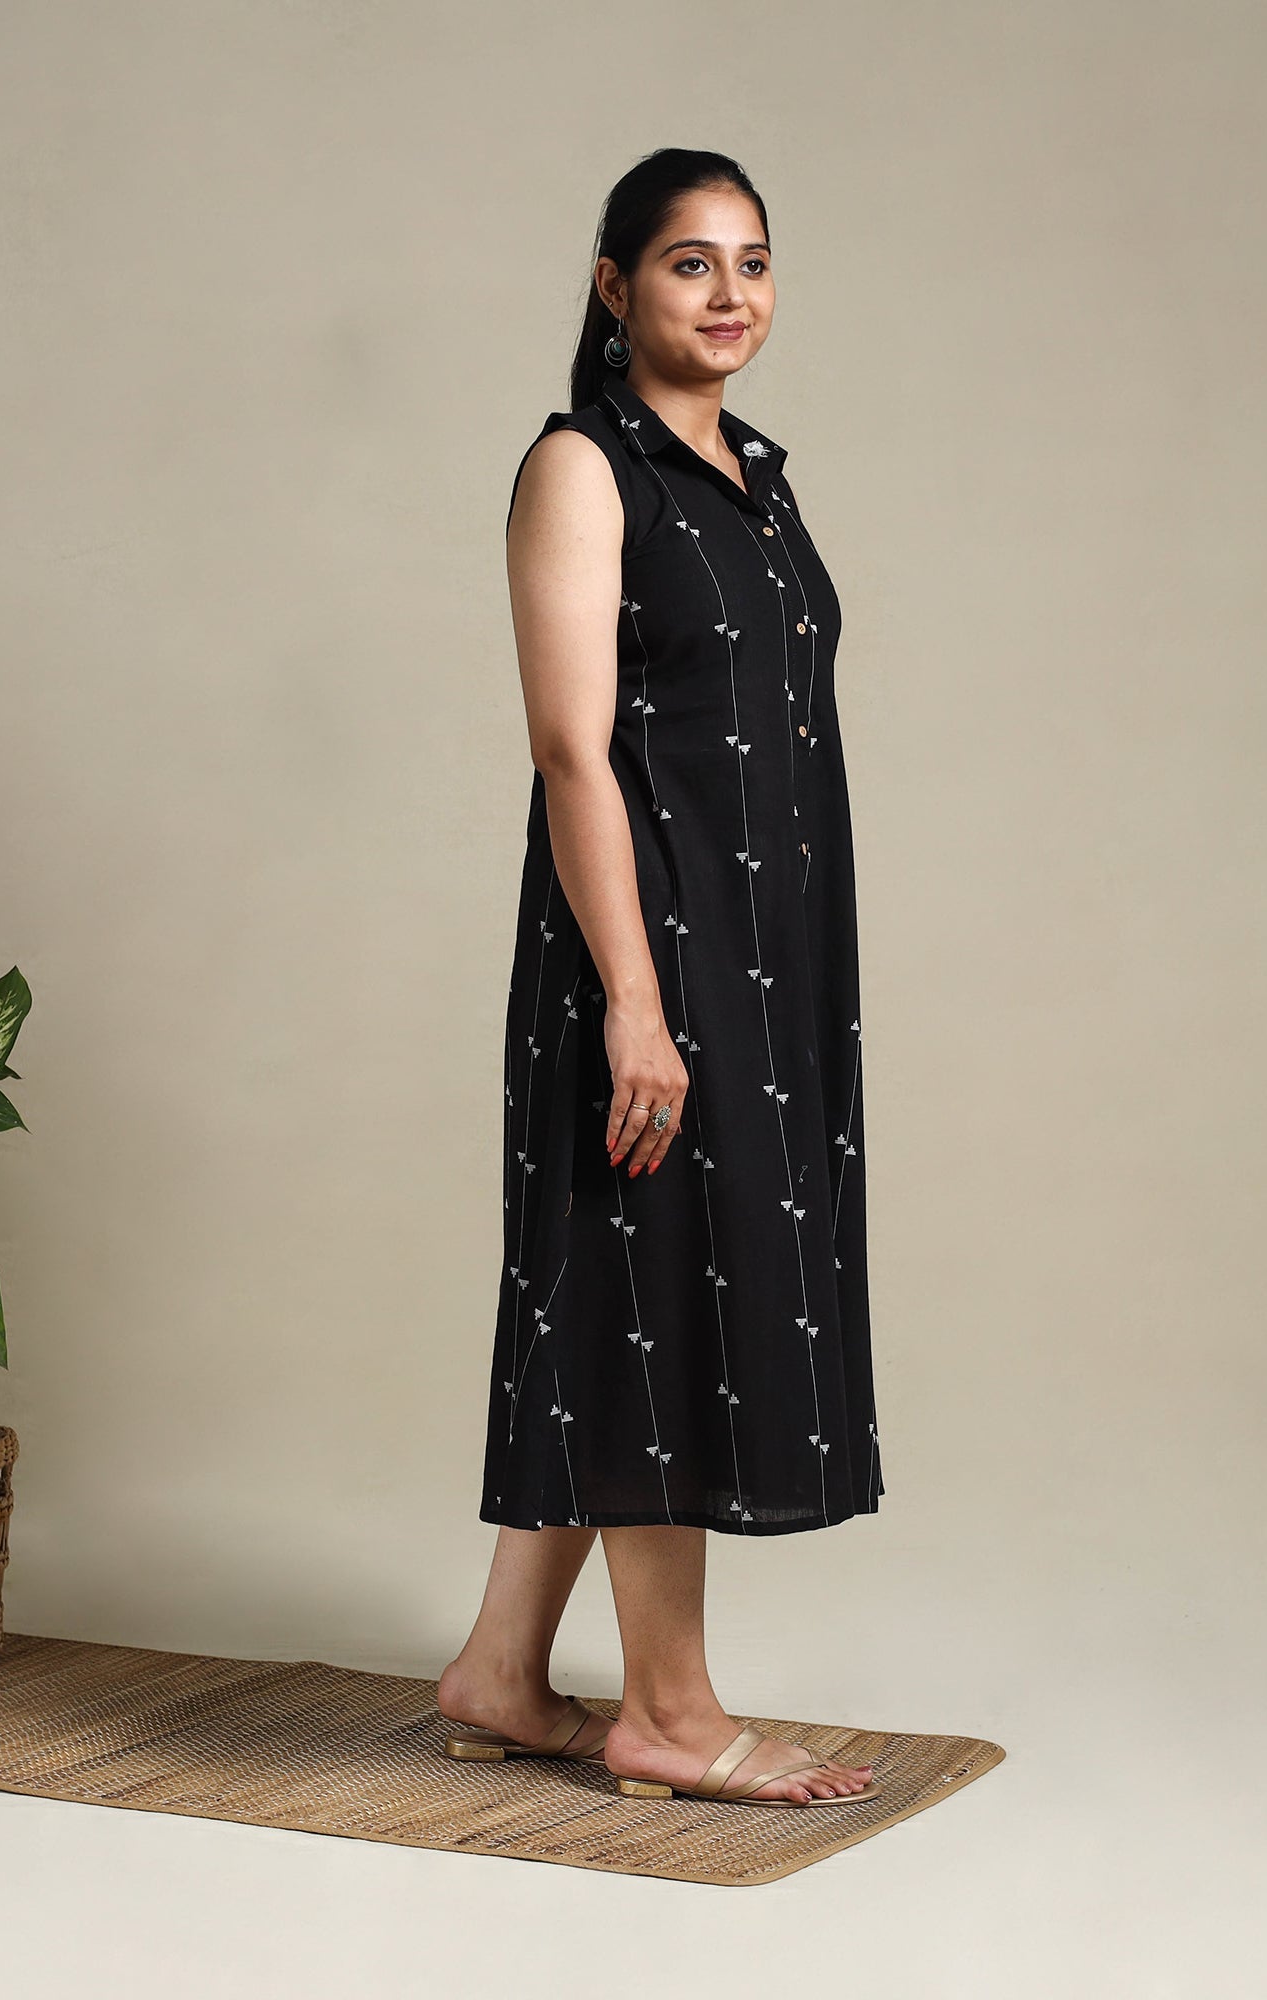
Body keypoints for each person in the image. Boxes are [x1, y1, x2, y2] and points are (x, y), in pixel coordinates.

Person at [437, 149, 883, 1809]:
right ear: (615, 286)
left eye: (753, 261)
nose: (730, 293)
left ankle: (498, 1673)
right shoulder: (583, 466)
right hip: (648, 944)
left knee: (612, 1284)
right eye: (691, 262)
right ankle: (671, 1716)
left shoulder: (755, 476)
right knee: (657, 1300)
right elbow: (573, 749)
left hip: (767, 958)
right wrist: (632, 996)